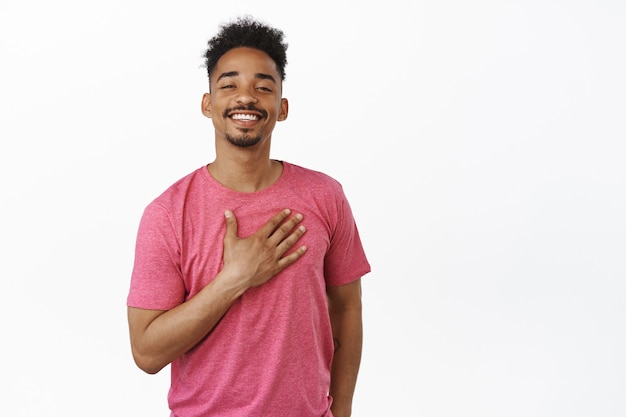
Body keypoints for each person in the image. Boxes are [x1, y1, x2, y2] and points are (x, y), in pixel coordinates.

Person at [127, 15, 370, 417]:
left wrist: (340, 411)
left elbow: (347, 309)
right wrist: (235, 278)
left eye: (263, 87)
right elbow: (146, 352)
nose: (246, 98)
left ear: (282, 107)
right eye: (229, 85)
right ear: (208, 104)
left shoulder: (325, 196)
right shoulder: (167, 214)